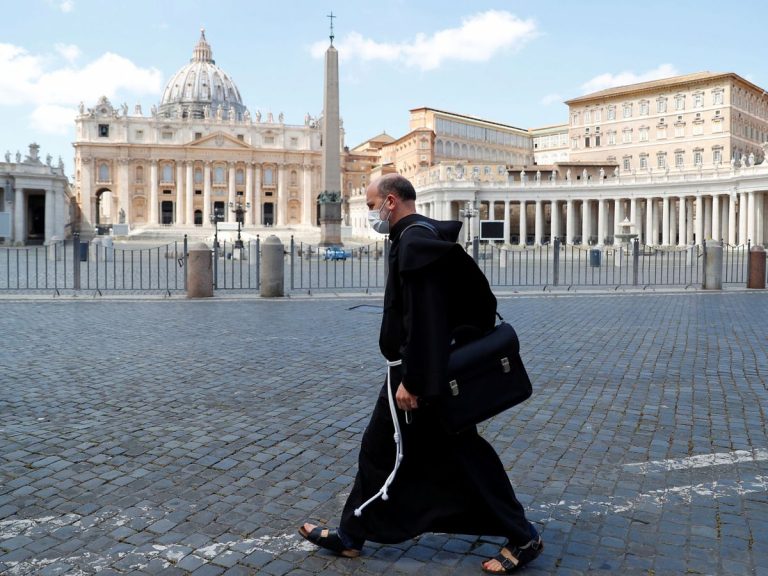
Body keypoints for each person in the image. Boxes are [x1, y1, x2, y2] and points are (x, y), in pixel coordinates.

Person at [299, 174, 542, 574]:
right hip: (414, 367)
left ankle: (523, 535)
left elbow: (427, 320)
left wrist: (413, 381)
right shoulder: (419, 235)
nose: (370, 212)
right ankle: (351, 534)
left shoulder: (414, 244)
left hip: (418, 373)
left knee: (463, 453)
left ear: (391, 201)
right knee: (379, 448)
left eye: (371, 204)